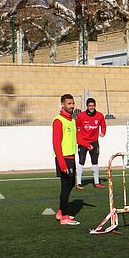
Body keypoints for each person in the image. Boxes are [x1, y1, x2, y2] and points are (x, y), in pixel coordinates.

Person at [52, 94, 80, 226]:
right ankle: (64, 216)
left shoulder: (72, 121)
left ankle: (60, 211)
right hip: (63, 159)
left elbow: (76, 138)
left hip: (71, 158)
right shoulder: (58, 121)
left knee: (71, 184)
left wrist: (87, 144)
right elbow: (56, 144)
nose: (72, 106)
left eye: (73, 103)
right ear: (63, 104)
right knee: (65, 187)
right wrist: (62, 163)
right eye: (69, 103)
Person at [75, 97, 107, 189]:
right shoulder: (81, 116)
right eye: (89, 106)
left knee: (95, 161)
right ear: (87, 106)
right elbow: (77, 129)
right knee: (81, 161)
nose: (91, 107)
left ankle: (96, 182)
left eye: (93, 106)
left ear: (95, 106)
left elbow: (103, 126)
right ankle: (79, 183)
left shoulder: (100, 115)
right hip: (83, 142)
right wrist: (81, 141)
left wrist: (103, 132)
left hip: (94, 142)